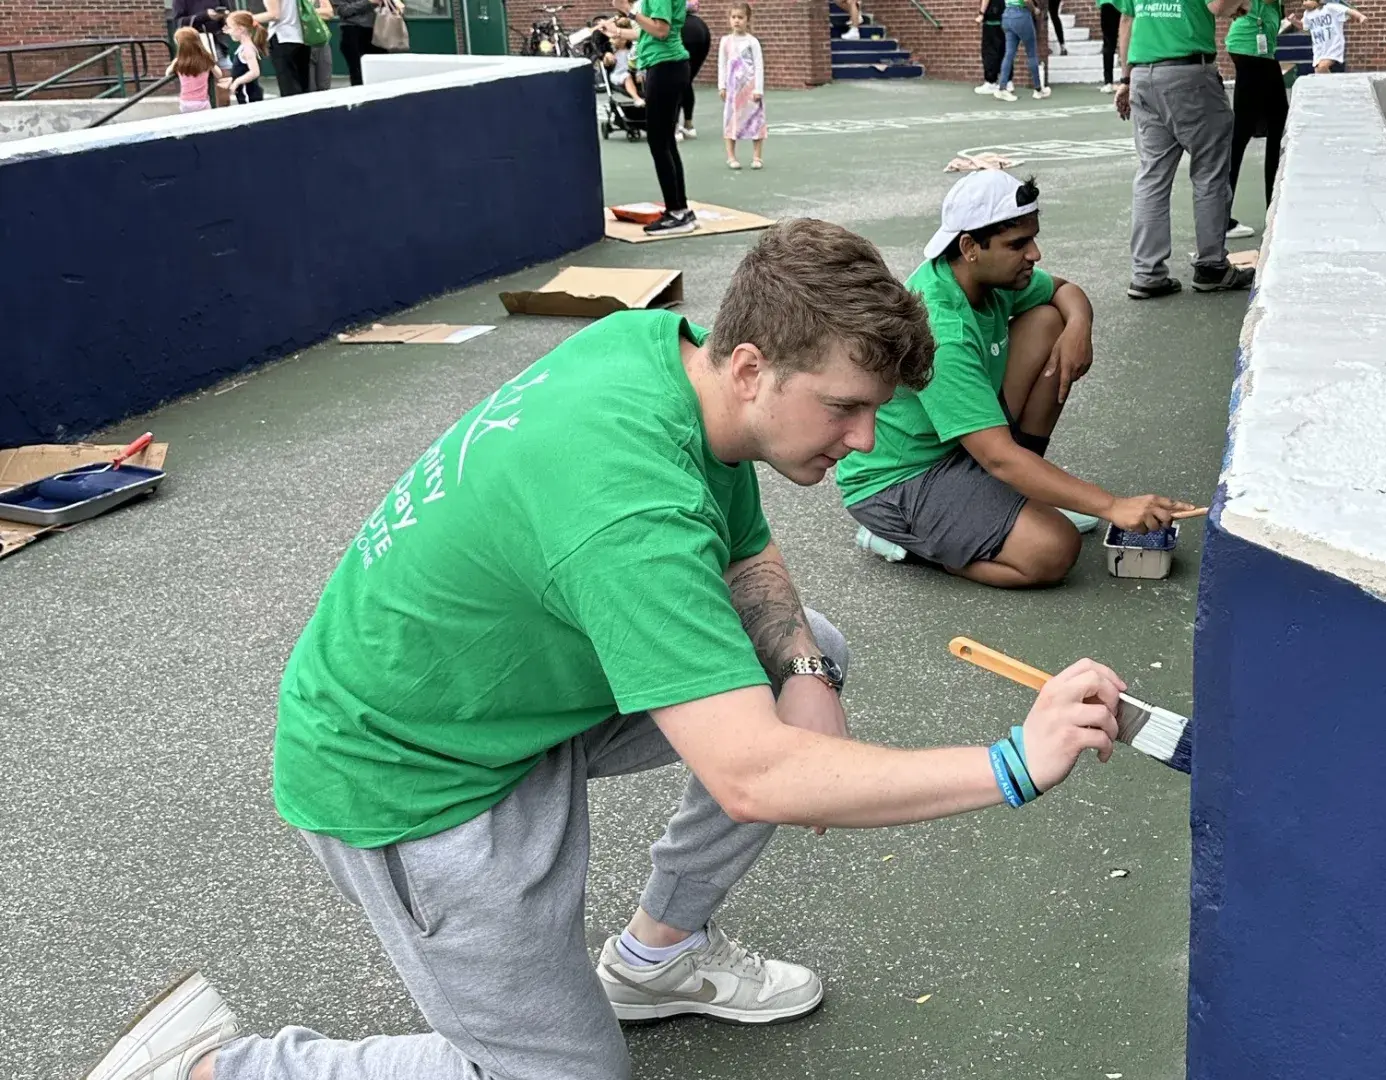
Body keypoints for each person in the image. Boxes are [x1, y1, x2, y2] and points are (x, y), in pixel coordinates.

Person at [83, 219, 1140, 1080]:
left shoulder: (654, 356)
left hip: (500, 691)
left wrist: (806, 678)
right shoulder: (628, 514)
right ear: (750, 364)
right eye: (848, 408)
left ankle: (658, 957)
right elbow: (755, 776)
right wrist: (1010, 763)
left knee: (805, 644)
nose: (866, 440)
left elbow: (748, 545)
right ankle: (221, 1069)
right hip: (413, 773)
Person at [836, 172, 1196, 588]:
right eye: (1018, 244)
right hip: (899, 481)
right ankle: (919, 543)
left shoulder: (985, 277)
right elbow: (998, 457)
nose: (1035, 254)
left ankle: (1006, 504)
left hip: (959, 449)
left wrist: (1080, 324)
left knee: (1048, 321)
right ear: (970, 247)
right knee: (1054, 549)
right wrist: (1112, 506)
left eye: (1033, 239)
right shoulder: (941, 331)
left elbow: (1065, 291)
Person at [1114, 0, 1254, 298]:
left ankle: (1147, 274)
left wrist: (1125, 79)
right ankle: (1211, 267)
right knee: (1210, 173)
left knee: (1151, 176)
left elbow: (1127, 20)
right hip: (1189, 75)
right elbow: (1218, 5)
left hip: (1143, 76)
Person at [621, 0, 699, 234]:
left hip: (665, 67)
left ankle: (677, 213)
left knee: (659, 142)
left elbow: (661, 30)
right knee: (665, 141)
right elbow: (647, 31)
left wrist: (629, 11)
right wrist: (617, 31)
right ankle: (680, 210)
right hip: (668, 66)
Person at [1223, 0, 1286, 240]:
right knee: (1258, 132)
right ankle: (1273, 212)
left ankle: (1271, 209)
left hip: (1254, 51)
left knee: (1248, 132)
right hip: (1252, 52)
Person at [719, 3, 766, 169]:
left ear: (748, 20)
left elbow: (759, 65)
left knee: (756, 120)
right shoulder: (725, 41)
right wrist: (722, 86)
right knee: (730, 120)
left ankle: (757, 156)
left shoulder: (752, 42)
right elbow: (722, 65)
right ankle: (731, 156)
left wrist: (758, 88)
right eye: (733, 17)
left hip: (750, 87)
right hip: (733, 88)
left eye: (740, 17)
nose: (736, 21)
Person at [1282, 0, 1364, 75]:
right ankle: (1332, 87)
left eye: (1307, 0)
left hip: (1334, 46)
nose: (1304, 3)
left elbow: (1348, 10)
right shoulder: (1307, 14)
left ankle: (1334, 87)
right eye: (1302, 1)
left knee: (1322, 67)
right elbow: (1304, 27)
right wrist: (1294, 21)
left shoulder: (1330, 8)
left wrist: (1360, 16)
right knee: (1318, 71)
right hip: (1319, 49)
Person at [994, 0, 1049, 101]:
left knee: (1009, 54)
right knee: (1032, 54)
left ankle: (1002, 87)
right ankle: (1038, 89)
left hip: (1007, 15)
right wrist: (1034, 9)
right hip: (1021, 15)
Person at [259, 0, 311, 95]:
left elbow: (274, 14)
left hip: (283, 37)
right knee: (303, 85)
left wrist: (245, 18)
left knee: (289, 87)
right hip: (301, 37)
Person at [333, 0, 389, 86]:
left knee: (380, 70)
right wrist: (368, 2)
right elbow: (344, 11)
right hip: (352, 31)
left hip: (378, 30)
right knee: (358, 73)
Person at [219, 11, 266, 104]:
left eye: (230, 28)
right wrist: (232, 79)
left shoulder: (248, 49)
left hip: (249, 95)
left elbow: (255, 72)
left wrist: (237, 82)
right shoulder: (243, 48)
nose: (229, 32)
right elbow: (242, 70)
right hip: (244, 94)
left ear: (240, 29)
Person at [167, 26, 217, 113]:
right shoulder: (206, 59)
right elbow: (219, 74)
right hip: (202, 102)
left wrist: (173, 64)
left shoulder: (179, 61)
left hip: (185, 102)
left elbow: (167, 73)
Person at [681, 0, 711, 139]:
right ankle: (688, 124)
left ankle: (674, 126)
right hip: (701, 30)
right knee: (686, 81)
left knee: (678, 82)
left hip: (681, 28)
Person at [976, 0, 1006, 94]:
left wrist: (981, 13)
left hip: (991, 20)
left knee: (989, 52)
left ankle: (991, 82)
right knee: (1003, 51)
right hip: (1002, 19)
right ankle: (1007, 81)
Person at [1096, 0, 1120, 91]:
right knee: (1111, 44)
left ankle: (1108, 82)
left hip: (1107, 5)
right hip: (1121, 5)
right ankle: (1127, 80)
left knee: (1108, 43)